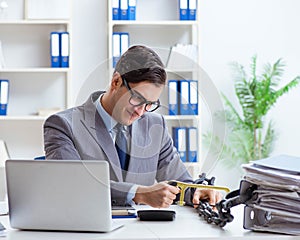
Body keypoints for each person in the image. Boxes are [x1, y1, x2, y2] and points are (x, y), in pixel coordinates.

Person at [44, 45, 222, 208]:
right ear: (116, 82)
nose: (141, 112)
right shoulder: (63, 125)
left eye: (150, 104)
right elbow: (72, 184)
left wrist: (196, 192)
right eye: (137, 99)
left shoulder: (155, 126)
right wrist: (139, 194)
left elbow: (180, 182)